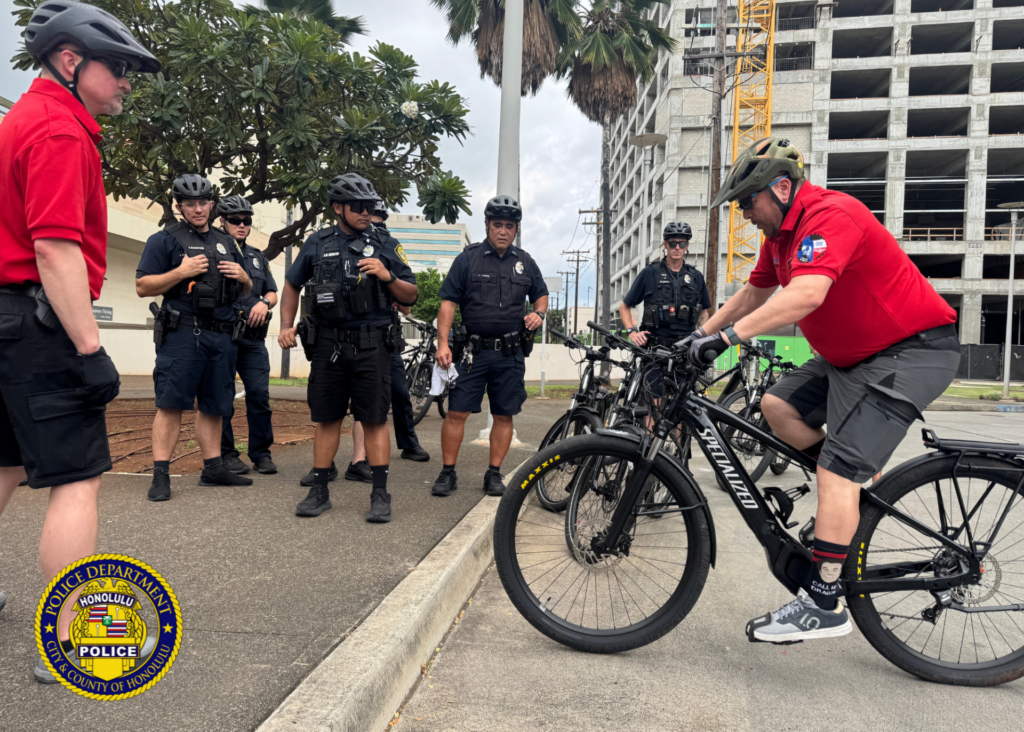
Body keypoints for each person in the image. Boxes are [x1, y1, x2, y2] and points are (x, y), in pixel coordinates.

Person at [690, 136, 960, 643]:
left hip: (910, 351)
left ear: (783, 187)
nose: (745, 214)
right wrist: (699, 336)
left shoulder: (831, 215)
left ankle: (823, 601)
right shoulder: (780, 238)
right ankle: (848, 500)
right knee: (776, 405)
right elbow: (754, 293)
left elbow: (808, 294)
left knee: (836, 472)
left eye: (749, 201)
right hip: (850, 358)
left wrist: (727, 339)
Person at [0, 0, 160, 683]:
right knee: (78, 482)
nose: (127, 81)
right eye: (119, 67)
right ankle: (72, 640)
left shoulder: (20, 119)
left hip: (4, 320)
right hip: (38, 328)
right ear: (71, 60)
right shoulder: (61, 132)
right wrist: (92, 350)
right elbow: (56, 251)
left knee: (3, 467)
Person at [278, 174, 417, 521]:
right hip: (329, 345)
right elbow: (292, 285)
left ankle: (380, 495)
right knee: (327, 419)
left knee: (373, 420)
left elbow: (410, 296)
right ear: (338, 208)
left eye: (370, 207)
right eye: (358, 207)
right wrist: (284, 325)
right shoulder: (317, 242)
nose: (365, 212)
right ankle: (320, 490)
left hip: (373, 345)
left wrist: (387, 276)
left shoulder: (386, 242)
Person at [135, 174, 254, 501]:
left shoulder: (226, 241)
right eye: (190, 204)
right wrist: (181, 273)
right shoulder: (164, 240)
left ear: (212, 204)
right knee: (171, 404)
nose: (198, 209)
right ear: (180, 206)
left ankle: (213, 468)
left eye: (203, 202)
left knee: (215, 406)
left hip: (222, 334)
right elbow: (143, 286)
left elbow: (245, 289)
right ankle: (161, 475)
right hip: (184, 334)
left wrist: (245, 278)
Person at [431, 196, 548, 498]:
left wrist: (538, 313)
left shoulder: (525, 262)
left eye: (510, 226)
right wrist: (442, 343)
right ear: (487, 225)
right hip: (472, 352)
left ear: (516, 229)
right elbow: (448, 303)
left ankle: (493, 473)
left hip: (509, 353)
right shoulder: (468, 259)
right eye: (498, 224)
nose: (503, 231)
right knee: (456, 412)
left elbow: (541, 295)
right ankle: (447, 472)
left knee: (504, 414)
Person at [215, 196, 279, 475]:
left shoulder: (257, 256)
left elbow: (272, 292)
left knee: (258, 394)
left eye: (247, 221)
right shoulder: (213, 251)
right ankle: (227, 454)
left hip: (253, 339)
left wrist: (264, 303)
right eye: (235, 220)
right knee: (222, 395)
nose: (242, 225)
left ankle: (261, 453)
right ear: (222, 221)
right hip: (223, 335)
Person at [619, 221, 710, 398]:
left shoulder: (696, 277)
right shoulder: (649, 273)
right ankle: (649, 426)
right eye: (673, 243)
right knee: (654, 402)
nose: (677, 247)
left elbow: (704, 314)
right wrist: (631, 331)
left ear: (687, 246)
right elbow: (625, 306)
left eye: (682, 243)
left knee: (681, 404)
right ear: (665, 244)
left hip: (684, 350)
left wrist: (703, 339)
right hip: (655, 349)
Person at [372, 200, 429, 463]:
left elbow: (407, 301)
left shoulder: (390, 245)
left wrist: (389, 282)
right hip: (344, 331)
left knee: (399, 391)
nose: (372, 221)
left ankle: (408, 443)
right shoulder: (335, 242)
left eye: (376, 216)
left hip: (384, 333)